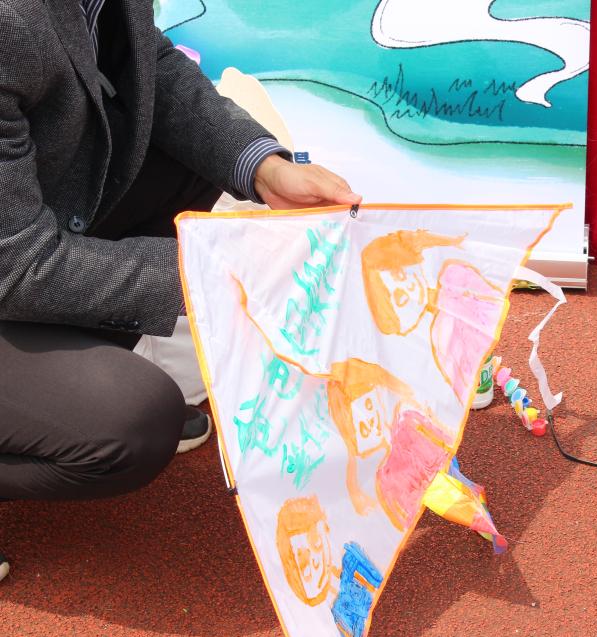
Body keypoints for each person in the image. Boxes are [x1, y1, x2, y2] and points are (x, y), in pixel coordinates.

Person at [0, 0, 361, 581]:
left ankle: (56, 389)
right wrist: (221, 266)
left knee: (188, 158)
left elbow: (150, 68)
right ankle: (60, 402)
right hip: (12, 260)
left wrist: (264, 168)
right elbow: (17, 265)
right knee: (131, 421)